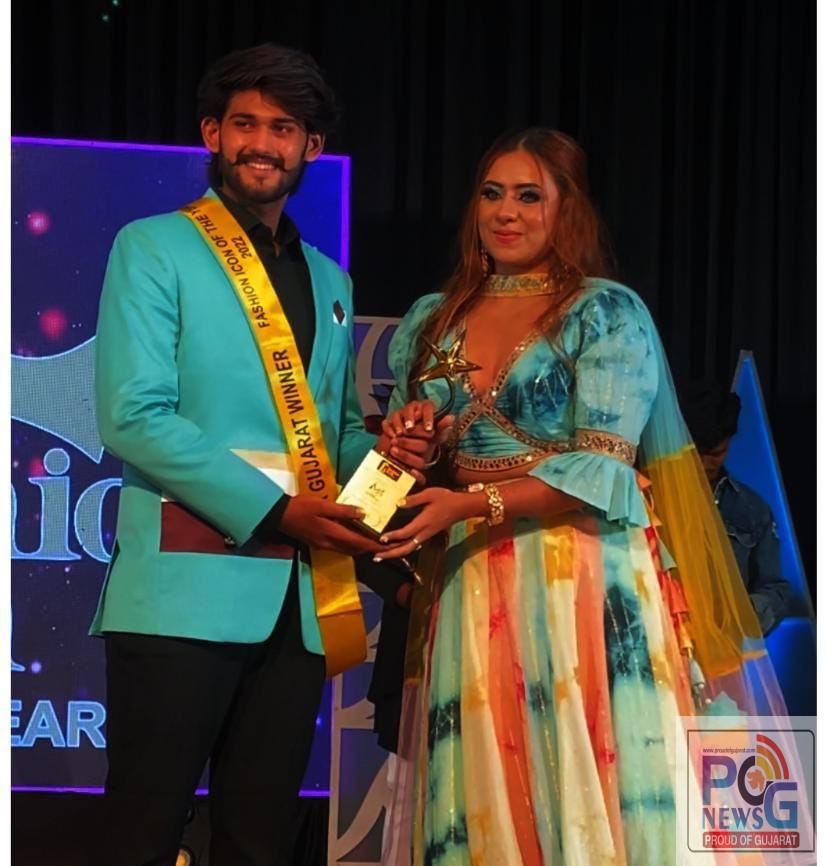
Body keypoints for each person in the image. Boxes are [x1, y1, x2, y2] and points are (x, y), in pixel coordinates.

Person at [374, 128, 786, 865]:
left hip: (583, 572)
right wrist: (414, 445)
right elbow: (435, 453)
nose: (506, 212)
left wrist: (472, 506)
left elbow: (603, 468)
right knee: (487, 776)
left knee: (590, 763)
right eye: (492, 193)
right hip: (473, 576)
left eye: (529, 195)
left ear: (568, 209)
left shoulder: (604, 313)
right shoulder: (433, 318)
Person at [91, 43, 438, 866]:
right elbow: (132, 416)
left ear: (310, 147)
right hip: (182, 593)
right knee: (142, 834)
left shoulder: (330, 279)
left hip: (296, 608)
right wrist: (278, 511)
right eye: (244, 123)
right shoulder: (154, 247)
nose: (262, 143)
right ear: (212, 133)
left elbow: (333, 436)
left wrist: (395, 451)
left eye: (283, 128)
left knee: (259, 843)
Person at [680, 380, 789, 634]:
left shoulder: (752, 509)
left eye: (716, 453)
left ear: (730, 442)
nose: (704, 463)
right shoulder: (650, 496)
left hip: (726, 646)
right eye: (696, 452)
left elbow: (775, 590)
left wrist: (744, 611)